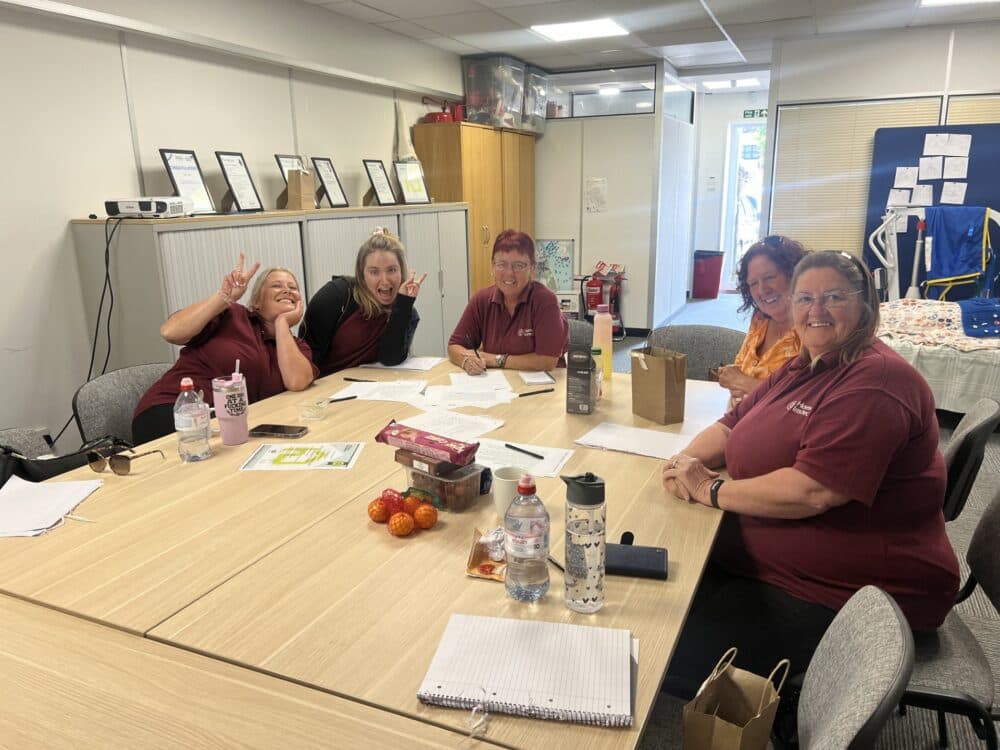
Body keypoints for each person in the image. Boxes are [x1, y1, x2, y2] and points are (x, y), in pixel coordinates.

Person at [660, 250, 959, 696]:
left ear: (866, 306)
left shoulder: (876, 382)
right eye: (804, 298)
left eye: (833, 297)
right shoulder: (806, 361)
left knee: (661, 655)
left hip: (850, 593)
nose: (815, 311)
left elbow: (812, 492)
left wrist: (710, 488)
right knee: (654, 600)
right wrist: (681, 462)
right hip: (774, 558)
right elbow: (732, 423)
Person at [133, 257, 318, 444]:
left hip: (227, 430)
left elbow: (297, 382)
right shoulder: (232, 315)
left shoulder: (296, 346)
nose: (287, 290)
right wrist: (224, 297)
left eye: (293, 288)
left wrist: (281, 323)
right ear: (256, 302)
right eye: (276, 286)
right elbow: (170, 332)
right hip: (176, 412)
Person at [300, 227, 425, 376]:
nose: (384, 280)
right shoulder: (335, 296)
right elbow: (306, 361)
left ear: (401, 271)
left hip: (366, 388)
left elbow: (390, 359)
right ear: (361, 274)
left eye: (391, 270)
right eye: (374, 272)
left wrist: (403, 304)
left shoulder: (407, 312)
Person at [448, 229, 568, 373]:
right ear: (493, 266)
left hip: (544, 386)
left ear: (532, 268)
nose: (509, 273)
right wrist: (466, 360)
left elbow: (547, 361)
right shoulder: (481, 300)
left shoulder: (545, 301)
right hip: (497, 387)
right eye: (501, 265)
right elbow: (455, 345)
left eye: (518, 265)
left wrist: (496, 359)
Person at [717, 235, 808, 403]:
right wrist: (735, 379)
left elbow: (803, 402)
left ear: (793, 274)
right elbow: (737, 372)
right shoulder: (760, 319)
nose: (762, 290)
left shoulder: (812, 330)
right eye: (753, 284)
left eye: (769, 278)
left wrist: (746, 383)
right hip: (741, 420)